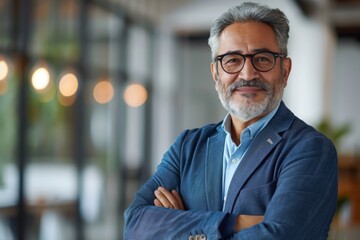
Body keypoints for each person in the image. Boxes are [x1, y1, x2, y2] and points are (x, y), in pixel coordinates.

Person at [124, 2, 338, 240]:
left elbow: (282, 236)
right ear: (216, 73)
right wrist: (235, 222)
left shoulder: (309, 149)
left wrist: (183, 225)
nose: (247, 74)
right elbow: (135, 225)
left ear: (284, 71)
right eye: (233, 60)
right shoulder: (187, 147)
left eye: (263, 59)